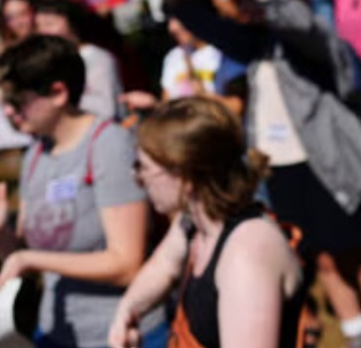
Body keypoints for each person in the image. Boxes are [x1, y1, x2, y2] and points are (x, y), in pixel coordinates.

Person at [172, 0, 361, 348]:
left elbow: (293, 17)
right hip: (282, 170)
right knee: (324, 260)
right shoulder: (253, 46)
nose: (246, 6)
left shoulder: (312, 38)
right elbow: (199, 21)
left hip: (329, 165)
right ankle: (357, 337)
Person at [0, 35, 163, 348]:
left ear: (58, 92)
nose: (9, 111)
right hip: (57, 332)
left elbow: (126, 264)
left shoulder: (108, 144)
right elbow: (23, 260)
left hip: (120, 333)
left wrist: (31, 257)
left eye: (17, 100)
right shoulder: (36, 153)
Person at [108, 98, 305, 348]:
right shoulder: (196, 221)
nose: (137, 178)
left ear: (185, 176)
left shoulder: (247, 255)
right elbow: (165, 265)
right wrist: (127, 310)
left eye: (143, 167)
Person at [35, 0, 125, 121]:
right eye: (38, 26)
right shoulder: (50, 63)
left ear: (72, 25)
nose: (43, 32)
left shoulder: (97, 58)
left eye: (50, 24)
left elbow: (106, 109)